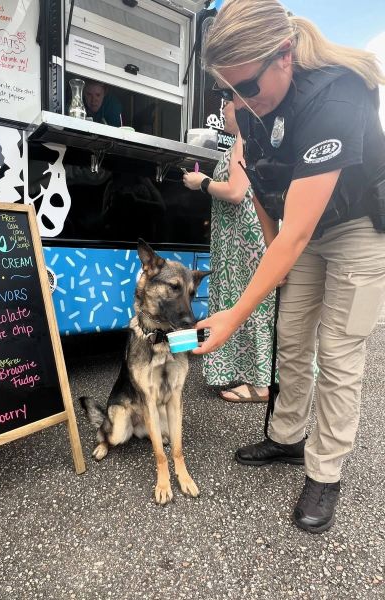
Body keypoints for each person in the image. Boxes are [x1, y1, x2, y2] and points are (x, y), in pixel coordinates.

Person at [194, 0, 385, 534]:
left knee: (341, 350)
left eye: (246, 88)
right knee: (290, 337)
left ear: (283, 57)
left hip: (358, 228)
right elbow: (262, 184)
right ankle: (286, 438)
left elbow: (304, 225)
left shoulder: (336, 93)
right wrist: (273, 252)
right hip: (304, 227)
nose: (240, 102)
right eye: (229, 92)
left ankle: (325, 473)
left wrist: (233, 313)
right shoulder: (253, 104)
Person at [183, 101, 275, 402]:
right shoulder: (243, 141)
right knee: (245, 304)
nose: (223, 111)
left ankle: (260, 384)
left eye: (228, 105)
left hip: (244, 242)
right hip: (238, 241)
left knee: (251, 307)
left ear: (243, 109)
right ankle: (254, 375)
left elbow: (236, 192)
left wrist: (202, 182)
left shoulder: (244, 142)